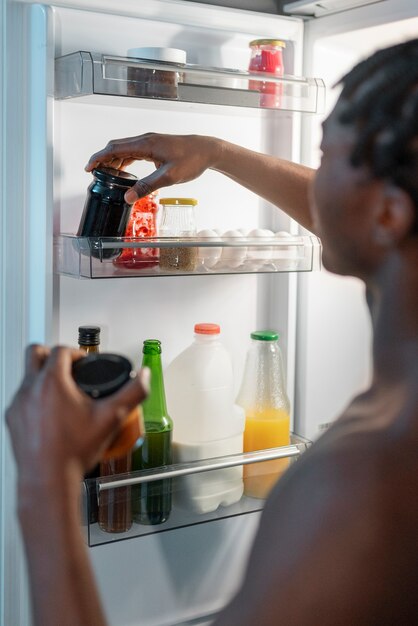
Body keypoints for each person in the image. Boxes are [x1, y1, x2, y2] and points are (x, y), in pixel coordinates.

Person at [6, 38, 418, 625]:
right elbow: (343, 212)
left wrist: (46, 482)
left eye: (326, 160)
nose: (314, 180)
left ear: (386, 216)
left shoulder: (366, 484)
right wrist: (217, 152)